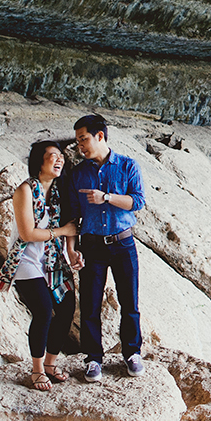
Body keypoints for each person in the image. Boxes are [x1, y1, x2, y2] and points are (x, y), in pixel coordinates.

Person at [0, 140, 82, 390]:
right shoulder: (25, 190)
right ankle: (35, 370)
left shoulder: (59, 190)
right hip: (25, 260)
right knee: (44, 310)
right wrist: (62, 231)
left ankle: (50, 363)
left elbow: (71, 225)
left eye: (61, 157)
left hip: (51, 258)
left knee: (67, 307)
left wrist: (71, 249)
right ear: (39, 161)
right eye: (52, 156)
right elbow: (26, 234)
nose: (59, 160)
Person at [67, 113, 145, 381]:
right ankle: (92, 359)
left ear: (100, 136)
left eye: (83, 139)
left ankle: (132, 353)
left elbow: (137, 201)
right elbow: (72, 215)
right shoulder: (77, 174)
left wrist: (107, 198)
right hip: (91, 246)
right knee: (89, 306)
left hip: (123, 243)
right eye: (78, 141)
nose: (80, 146)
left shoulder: (126, 165)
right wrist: (72, 248)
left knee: (129, 302)